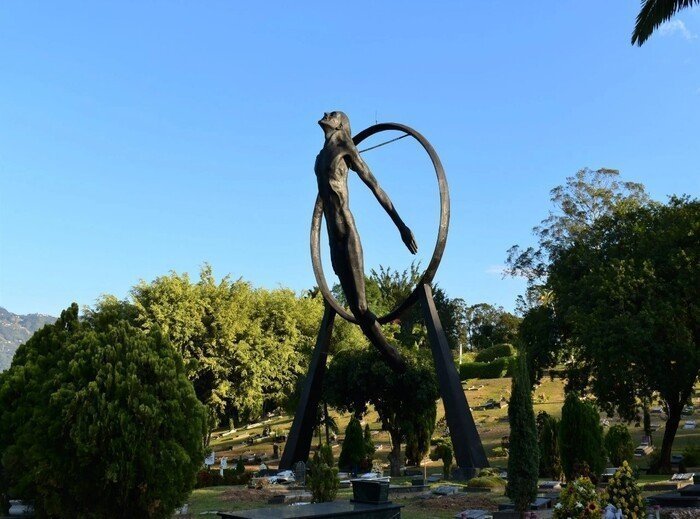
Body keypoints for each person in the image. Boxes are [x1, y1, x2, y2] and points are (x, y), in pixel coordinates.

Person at [315, 111, 417, 373]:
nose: (327, 114)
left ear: (341, 124)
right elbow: (321, 203)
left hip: (347, 232)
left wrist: (401, 226)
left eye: (334, 114)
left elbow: (375, 186)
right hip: (331, 238)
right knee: (355, 310)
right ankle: (393, 359)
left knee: (360, 307)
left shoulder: (344, 147)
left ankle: (396, 362)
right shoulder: (319, 157)